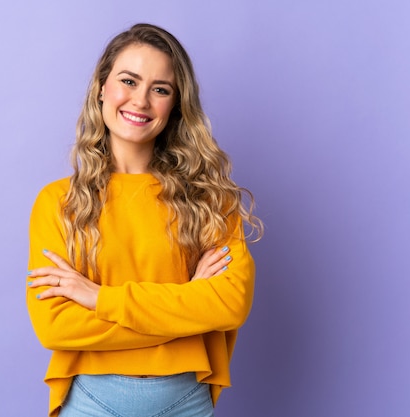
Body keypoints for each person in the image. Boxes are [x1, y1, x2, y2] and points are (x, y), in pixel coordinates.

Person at [26, 23, 263, 417]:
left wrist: (99, 298)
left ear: (175, 105)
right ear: (102, 88)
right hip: (91, 403)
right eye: (128, 81)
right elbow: (57, 327)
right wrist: (186, 306)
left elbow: (229, 305)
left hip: (184, 401)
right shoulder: (58, 202)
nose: (140, 100)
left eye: (160, 89)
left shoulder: (209, 198)